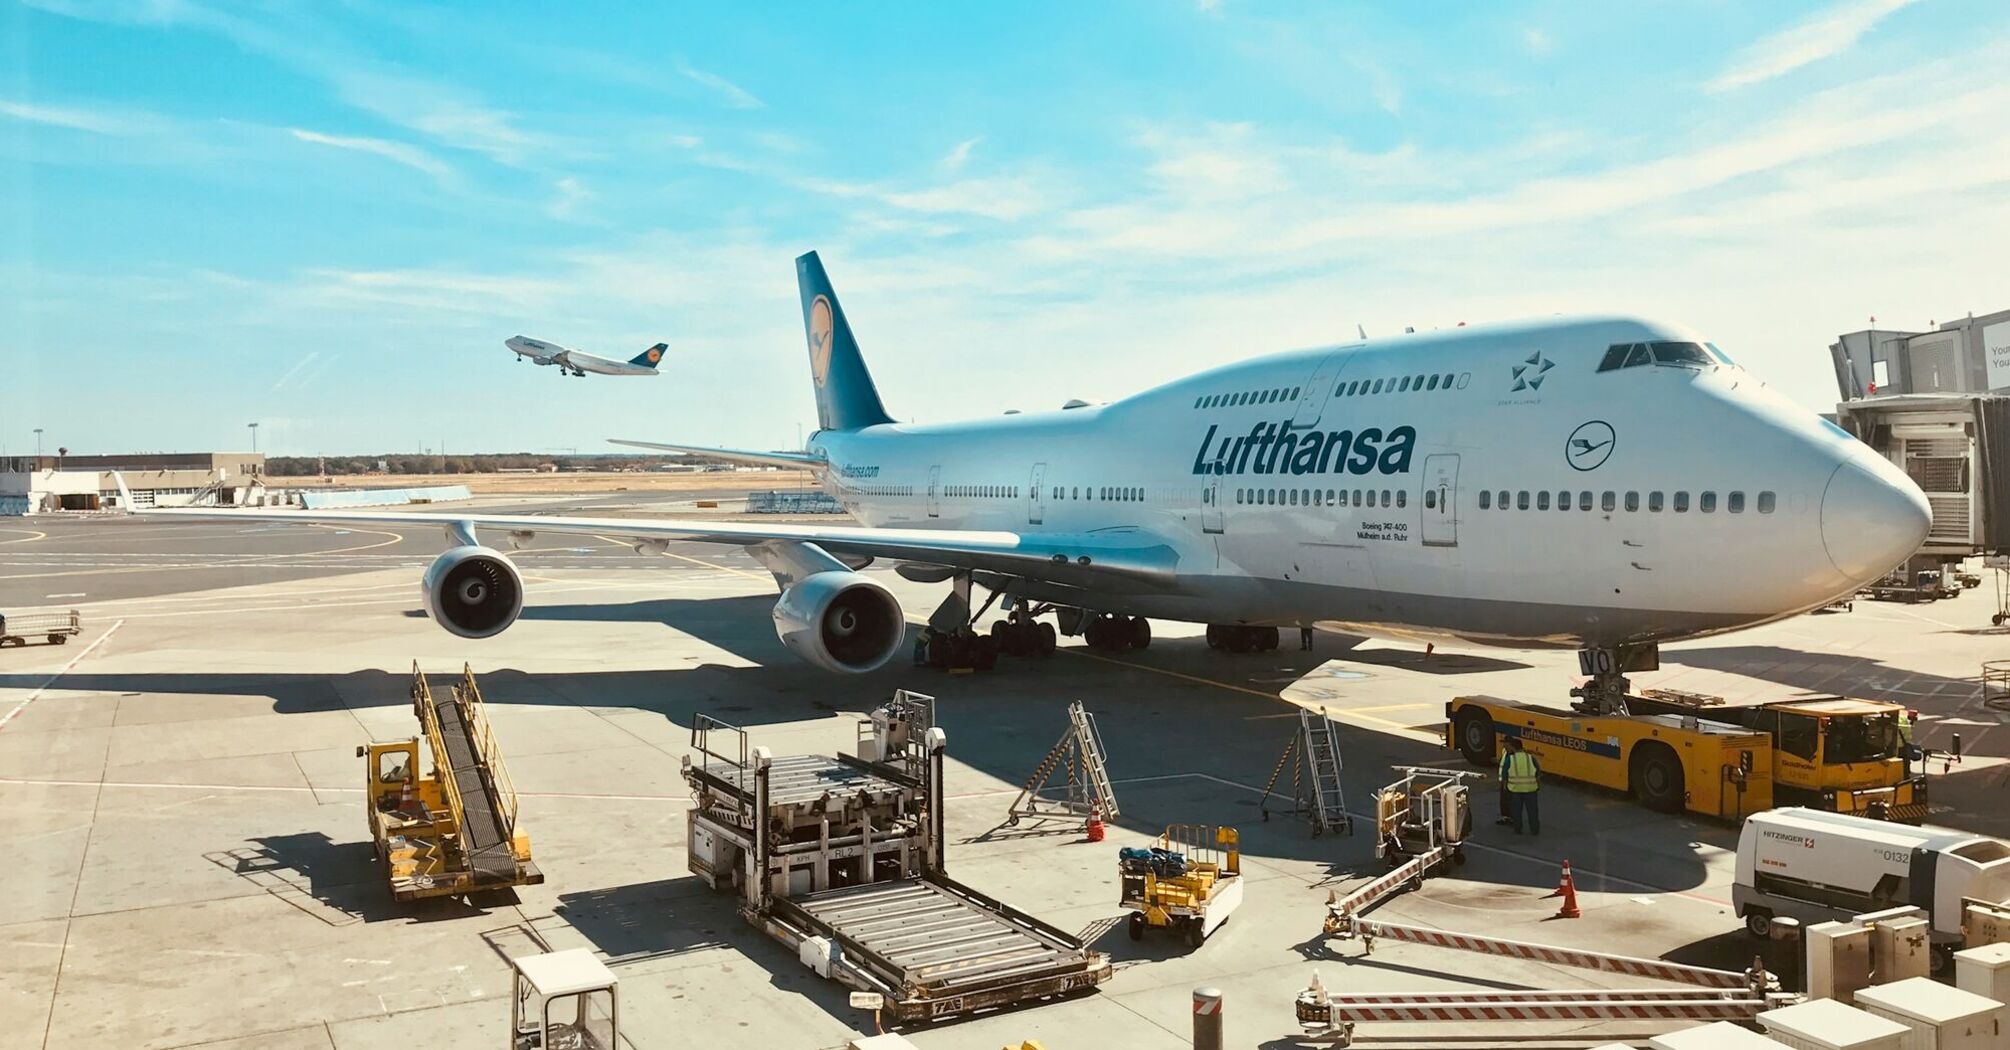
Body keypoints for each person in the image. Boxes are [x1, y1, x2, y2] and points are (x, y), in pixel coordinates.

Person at [1500, 736, 1542, 835]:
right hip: (1531, 789)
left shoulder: (1510, 759)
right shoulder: (1531, 758)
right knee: (1532, 811)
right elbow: (1538, 772)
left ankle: (1518, 829)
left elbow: (1505, 775)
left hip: (1515, 790)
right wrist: (1538, 785)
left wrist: (1505, 787)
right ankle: (1534, 830)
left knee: (1517, 811)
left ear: (1513, 747)